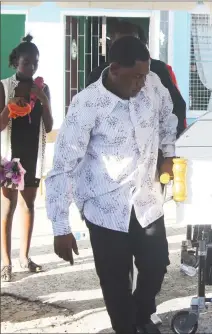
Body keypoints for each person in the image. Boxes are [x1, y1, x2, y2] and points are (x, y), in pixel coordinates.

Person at [45, 36, 177, 334]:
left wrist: (168, 154)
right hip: (104, 204)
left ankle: (141, 315)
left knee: (157, 264)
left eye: (145, 75)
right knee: (116, 280)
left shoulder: (153, 84)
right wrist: (60, 228)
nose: (142, 84)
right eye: (136, 77)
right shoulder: (86, 104)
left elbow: (167, 118)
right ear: (115, 69)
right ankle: (127, 326)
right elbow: (63, 166)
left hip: (146, 199)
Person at [0, 34, 54, 282]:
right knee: (8, 208)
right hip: (10, 157)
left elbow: (50, 126)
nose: (30, 68)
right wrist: (9, 107)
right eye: (26, 63)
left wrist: (43, 100)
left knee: (29, 206)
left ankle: (24, 257)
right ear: (15, 63)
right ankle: (6, 262)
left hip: (33, 155)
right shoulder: (3, 86)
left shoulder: (42, 88)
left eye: (35, 63)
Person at [87, 20, 187, 134]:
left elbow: (177, 108)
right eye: (121, 45)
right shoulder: (98, 75)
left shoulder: (159, 70)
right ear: (111, 46)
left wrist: (167, 143)